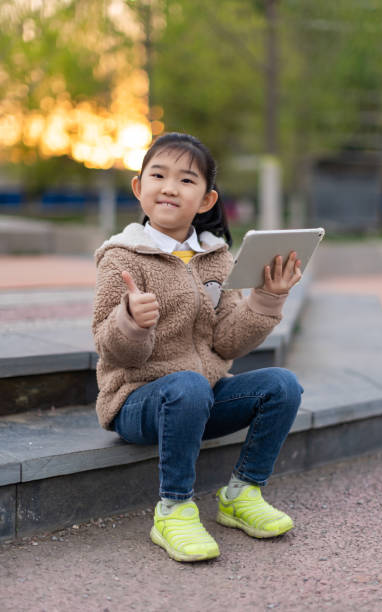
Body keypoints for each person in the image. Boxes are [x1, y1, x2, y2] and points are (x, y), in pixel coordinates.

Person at [92, 132, 304, 563]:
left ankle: (241, 494)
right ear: (139, 187)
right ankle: (173, 509)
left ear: (207, 201)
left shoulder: (217, 259)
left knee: (282, 384)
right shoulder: (122, 257)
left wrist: (268, 298)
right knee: (186, 385)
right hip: (138, 401)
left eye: (186, 180)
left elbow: (227, 340)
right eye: (158, 175)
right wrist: (131, 322)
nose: (169, 187)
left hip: (199, 397)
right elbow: (112, 349)